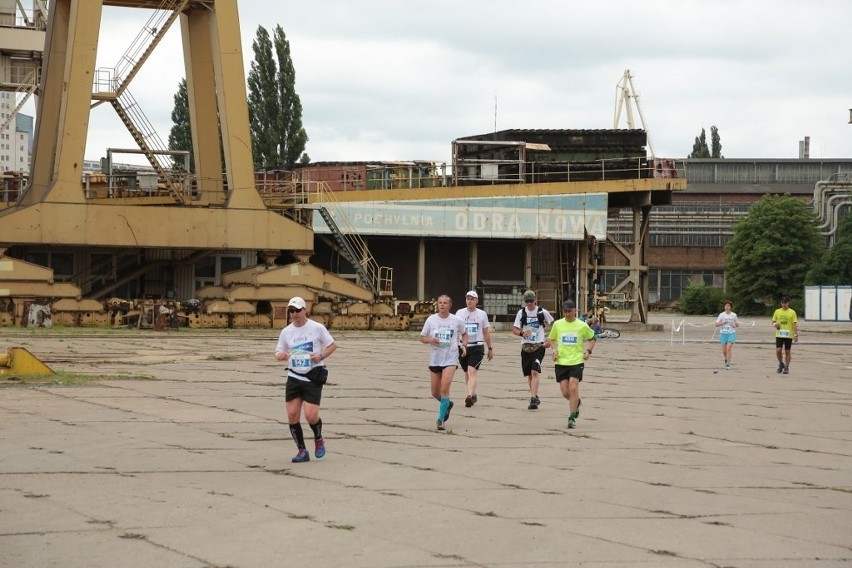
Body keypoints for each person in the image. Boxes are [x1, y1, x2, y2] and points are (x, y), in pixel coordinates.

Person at [275, 297, 337, 463]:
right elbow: (278, 352)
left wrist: (321, 355)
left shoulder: (317, 328)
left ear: (305, 310)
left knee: (310, 415)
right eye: (291, 311)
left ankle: (318, 437)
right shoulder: (286, 332)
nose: (294, 314)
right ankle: (302, 450)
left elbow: (332, 345)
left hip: (313, 375)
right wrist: (280, 356)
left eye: (297, 310)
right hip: (294, 376)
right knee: (293, 415)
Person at [420, 295, 468, 430]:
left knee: (444, 388)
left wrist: (464, 345)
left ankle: (440, 420)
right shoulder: (431, 320)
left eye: (445, 303)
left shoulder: (456, 320)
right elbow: (422, 337)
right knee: (435, 392)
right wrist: (430, 340)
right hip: (435, 359)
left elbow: (465, 334)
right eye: (440, 303)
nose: (442, 305)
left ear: (450, 305)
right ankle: (447, 404)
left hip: (450, 358)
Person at [548, 300, 596, 429]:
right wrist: (554, 350)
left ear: (575, 310)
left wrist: (588, 351)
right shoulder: (558, 324)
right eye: (565, 311)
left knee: (573, 387)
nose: (568, 313)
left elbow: (592, 338)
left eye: (570, 311)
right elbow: (551, 339)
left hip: (576, 361)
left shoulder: (582, 325)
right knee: (565, 392)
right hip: (561, 362)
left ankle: (572, 417)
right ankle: (576, 402)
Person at [512, 289, 554, 410]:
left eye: (531, 301)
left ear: (535, 300)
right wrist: (522, 333)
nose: (529, 303)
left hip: (538, 346)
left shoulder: (542, 312)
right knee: (529, 375)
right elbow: (514, 329)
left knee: (535, 371)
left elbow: (554, 325)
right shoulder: (521, 313)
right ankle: (534, 395)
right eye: (527, 301)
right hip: (526, 347)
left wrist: (550, 339)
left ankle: (533, 399)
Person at [455, 290, 493, 407]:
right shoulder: (459, 313)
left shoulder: (482, 314)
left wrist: (490, 348)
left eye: (472, 299)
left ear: (476, 301)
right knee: (467, 372)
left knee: (472, 371)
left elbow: (486, 332)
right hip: (462, 346)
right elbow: (455, 330)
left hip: (477, 346)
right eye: (468, 299)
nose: (469, 301)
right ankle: (472, 393)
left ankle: (469, 396)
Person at [771, 296, 798, 374]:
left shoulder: (792, 312)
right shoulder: (777, 311)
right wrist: (775, 324)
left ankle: (786, 367)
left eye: (785, 303)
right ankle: (781, 363)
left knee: (787, 351)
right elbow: (773, 321)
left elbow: (795, 324)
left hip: (788, 334)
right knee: (778, 350)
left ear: (788, 303)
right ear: (781, 303)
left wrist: (796, 334)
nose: (784, 305)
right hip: (779, 334)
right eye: (782, 303)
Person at [715, 300, 739, 370]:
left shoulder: (734, 315)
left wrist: (734, 325)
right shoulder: (721, 315)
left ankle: (728, 364)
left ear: (730, 307)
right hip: (723, 334)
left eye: (728, 306)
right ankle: (726, 358)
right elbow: (716, 324)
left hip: (731, 333)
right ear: (724, 307)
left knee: (728, 348)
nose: (727, 307)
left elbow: (737, 324)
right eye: (726, 306)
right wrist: (722, 323)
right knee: (724, 351)